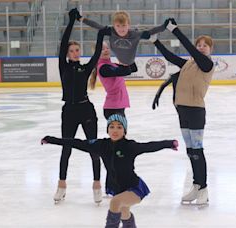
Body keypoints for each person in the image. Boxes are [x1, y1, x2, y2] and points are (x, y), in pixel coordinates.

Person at [41, 114, 178, 228]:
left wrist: (169, 144)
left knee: (115, 203)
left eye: (119, 127)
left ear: (124, 131)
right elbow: (77, 143)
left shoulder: (130, 146)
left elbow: (149, 146)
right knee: (124, 212)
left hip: (134, 188)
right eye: (111, 127)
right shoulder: (101, 145)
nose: (115, 130)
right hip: (117, 189)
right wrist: (51, 140)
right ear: (107, 130)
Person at [149, 18, 215, 205]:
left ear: (210, 50)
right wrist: (155, 41)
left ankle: (203, 189)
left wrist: (175, 30)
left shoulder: (207, 65)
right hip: (183, 112)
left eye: (205, 45)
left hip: (196, 112)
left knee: (198, 150)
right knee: (191, 151)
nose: (201, 47)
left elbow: (191, 50)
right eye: (199, 44)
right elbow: (170, 57)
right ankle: (196, 185)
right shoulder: (188, 64)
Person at [54, 8, 110, 204]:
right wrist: (71, 21)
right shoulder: (63, 65)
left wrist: (101, 34)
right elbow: (63, 43)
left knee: (93, 147)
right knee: (66, 148)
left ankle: (96, 185)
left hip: (86, 110)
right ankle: (61, 185)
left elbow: (96, 54)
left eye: (77, 50)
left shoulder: (86, 68)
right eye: (72, 50)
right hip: (69, 111)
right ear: (67, 53)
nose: (75, 53)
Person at [89, 41, 131, 196]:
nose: (105, 50)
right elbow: (125, 71)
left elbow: (131, 69)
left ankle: (116, 185)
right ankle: (113, 186)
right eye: (102, 48)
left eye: (107, 47)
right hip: (113, 109)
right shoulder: (104, 68)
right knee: (116, 150)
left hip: (118, 108)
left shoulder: (111, 64)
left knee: (120, 149)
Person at [73, 9, 169, 76]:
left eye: (123, 25)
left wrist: (165, 26)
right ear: (114, 25)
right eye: (118, 26)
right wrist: (81, 18)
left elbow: (152, 31)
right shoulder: (111, 31)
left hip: (131, 63)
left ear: (128, 25)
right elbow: (96, 25)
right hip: (122, 63)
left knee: (132, 70)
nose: (121, 29)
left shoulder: (135, 34)